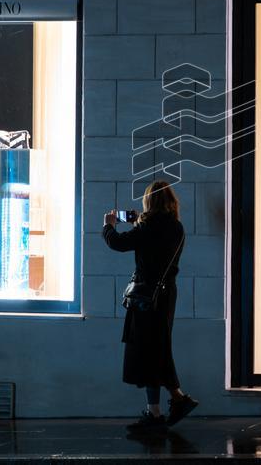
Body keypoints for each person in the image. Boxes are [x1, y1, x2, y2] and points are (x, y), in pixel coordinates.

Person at [103, 180, 198, 430]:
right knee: (158, 348)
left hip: (146, 296)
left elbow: (118, 243)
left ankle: (161, 410)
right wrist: (139, 224)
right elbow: (157, 246)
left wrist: (108, 226)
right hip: (166, 296)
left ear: (149, 201)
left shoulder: (148, 227)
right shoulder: (177, 227)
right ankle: (170, 402)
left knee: (148, 350)